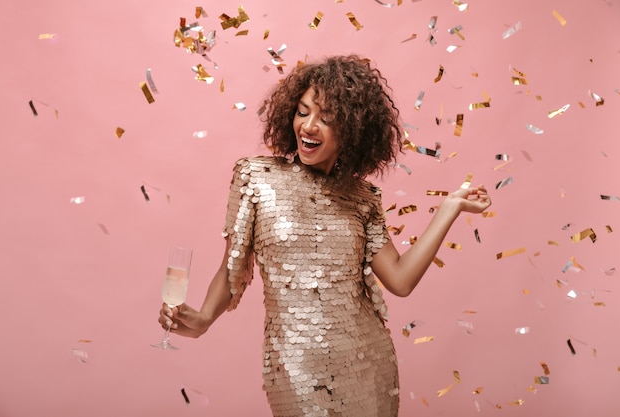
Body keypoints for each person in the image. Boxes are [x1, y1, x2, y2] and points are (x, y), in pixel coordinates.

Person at [157, 54, 491, 416]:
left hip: (367, 362)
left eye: (327, 119)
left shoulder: (363, 199)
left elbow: (400, 280)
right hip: (293, 363)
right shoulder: (255, 177)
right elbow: (231, 268)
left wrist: (449, 208)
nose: (309, 126)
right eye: (303, 112)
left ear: (353, 130)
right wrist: (204, 318)